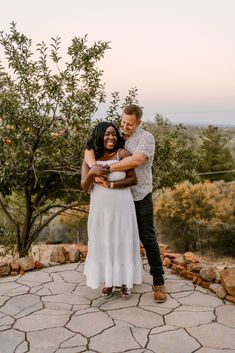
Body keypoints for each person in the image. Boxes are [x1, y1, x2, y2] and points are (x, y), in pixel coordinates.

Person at [85, 104, 167, 303]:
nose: (125, 126)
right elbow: (91, 149)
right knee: (116, 239)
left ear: (139, 123)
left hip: (139, 196)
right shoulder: (119, 138)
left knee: (147, 238)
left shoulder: (146, 138)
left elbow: (135, 161)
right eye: (123, 122)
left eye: (129, 124)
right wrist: (92, 166)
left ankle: (159, 283)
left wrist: (103, 169)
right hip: (118, 201)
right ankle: (118, 277)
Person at [81, 121, 143, 299]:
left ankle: (125, 283)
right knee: (105, 243)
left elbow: (133, 179)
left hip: (123, 208)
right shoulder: (90, 158)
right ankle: (109, 281)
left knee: (122, 243)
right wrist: (93, 172)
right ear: (100, 135)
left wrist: (111, 184)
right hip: (100, 211)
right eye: (107, 134)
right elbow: (84, 187)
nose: (111, 137)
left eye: (114, 134)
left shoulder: (122, 153)